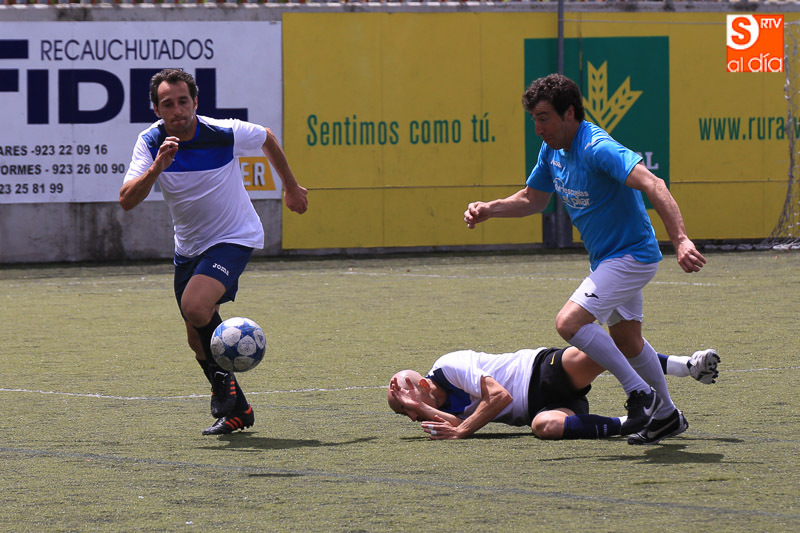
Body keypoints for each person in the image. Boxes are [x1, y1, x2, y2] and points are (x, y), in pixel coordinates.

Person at [463, 73, 707, 445]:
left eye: (544, 118)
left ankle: (640, 394)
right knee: (628, 341)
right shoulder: (552, 150)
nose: (538, 128)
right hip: (606, 260)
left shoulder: (597, 147)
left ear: (569, 113)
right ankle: (667, 416)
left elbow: (653, 184)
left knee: (569, 323)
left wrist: (682, 240)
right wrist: (490, 209)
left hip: (631, 256)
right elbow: (533, 198)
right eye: (534, 120)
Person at [119, 69, 308, 435]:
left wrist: (291, 186)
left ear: (196, 102)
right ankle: (239, 410)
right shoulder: (150, 142)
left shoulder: (222, 132)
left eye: (183, 101)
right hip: (188, 247)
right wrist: (157, 167)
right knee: (196, 339)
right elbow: (127, 200)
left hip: (234, 236)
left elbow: (266, 137)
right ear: (157, 109)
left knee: (195, 307)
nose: (177, 110)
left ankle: (222, 383)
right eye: (167, 104)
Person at [388, 347, 719, 443]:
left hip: (542, 369)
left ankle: (686, 365)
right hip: (543, 407)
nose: (412, 417)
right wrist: (422, 408)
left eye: (406, 409)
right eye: (406, 412)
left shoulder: (448, 366)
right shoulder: (432, 405)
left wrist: (460, 430)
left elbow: (500, 397)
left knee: (602, 351)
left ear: (423, 387)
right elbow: (454, 424)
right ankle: (635, 422)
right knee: (544, 428)